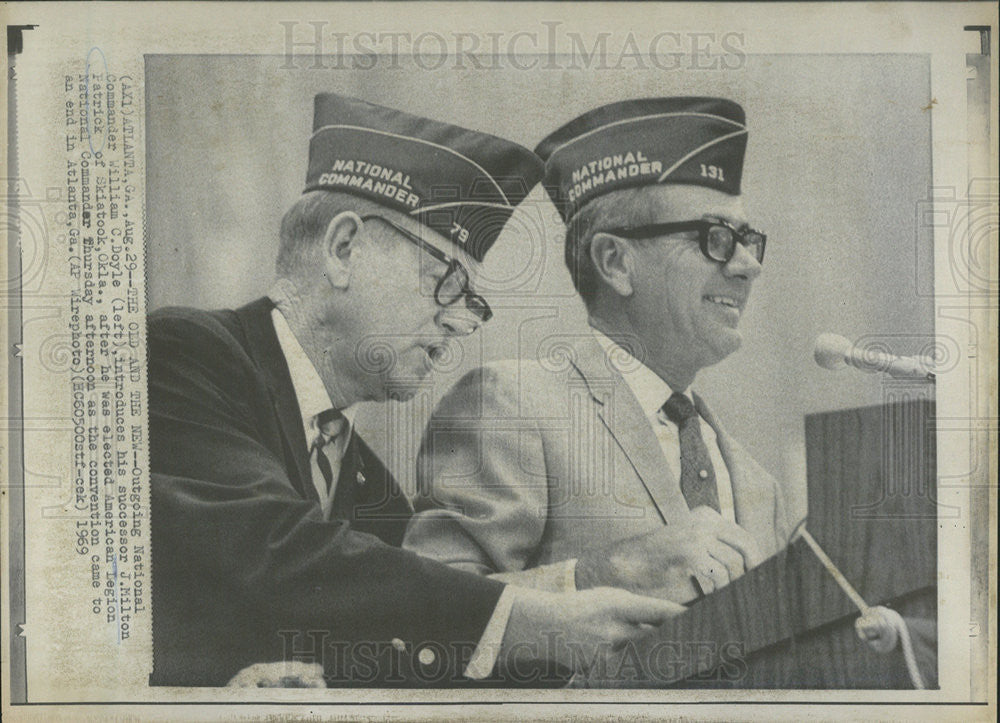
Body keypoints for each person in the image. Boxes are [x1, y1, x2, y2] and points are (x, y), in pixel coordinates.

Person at [148, 93, 682, 688]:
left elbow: (394, 638)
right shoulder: (185, 353)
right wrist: (536, 620)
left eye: (469, 302)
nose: (457, 323)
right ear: (343, 249)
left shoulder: (364, 481)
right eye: (445, 281)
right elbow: (274, 548)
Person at [403, 97, 795, 604]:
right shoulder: (512, 405)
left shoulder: (759, 486)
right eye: (716, 238)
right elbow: (426, 616)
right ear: (615, 262)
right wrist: (608, 573)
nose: (748, 265)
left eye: (748, 240)